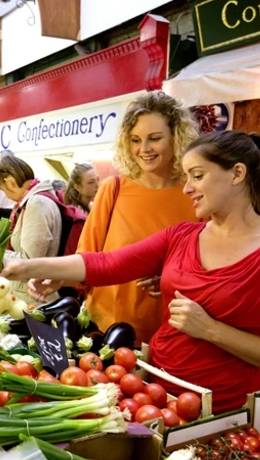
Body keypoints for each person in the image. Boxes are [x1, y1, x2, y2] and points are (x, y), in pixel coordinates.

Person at [1, 131, 260, 414]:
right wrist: (28, 266)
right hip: (152, 391)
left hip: (225, 408)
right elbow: (109, 263)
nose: (187, 189)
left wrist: (212, 330)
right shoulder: (182, 235)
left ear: (237, 173)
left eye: (197, 176)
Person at [77, 91, 200, 345]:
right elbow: (86, 259)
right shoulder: (114, 188)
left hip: (172, 336)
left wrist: (171, 277)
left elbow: (208, 270)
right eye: (135, 140)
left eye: (154, 138)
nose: (143, 149)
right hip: (105, 329)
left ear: (176, 138)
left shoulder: (196, 195)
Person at [0, 155, 62, 303]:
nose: (6, 195)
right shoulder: (35, 201)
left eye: (3, 189)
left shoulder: (37, 203)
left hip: (32, 299)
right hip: (28, 296)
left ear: (10, 182)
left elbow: (30, 262)